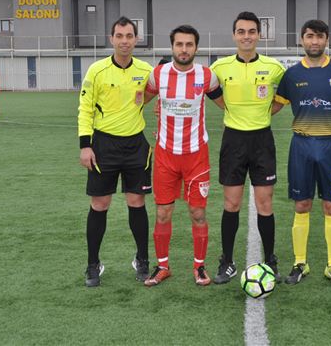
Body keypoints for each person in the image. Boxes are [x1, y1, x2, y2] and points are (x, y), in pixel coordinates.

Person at [272, 20, 331, 287]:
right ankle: (300, 263)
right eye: (310, 36)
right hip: (301, 146)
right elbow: (274, 106)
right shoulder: (291, 75)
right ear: (302, 39)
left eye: (320, 36)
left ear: (326, 40)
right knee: (302, 204)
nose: (315, 41)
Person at [143, 25, 225, 287]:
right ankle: (162, 267)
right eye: (179, 44)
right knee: (163, 213)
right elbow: (139, 101)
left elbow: (226, 104)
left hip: (196, 156)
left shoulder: (207, 76)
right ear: (172, 47)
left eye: (189, 44)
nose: (184, 49)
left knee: (197, 214)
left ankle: (199, 267)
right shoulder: (158, 75)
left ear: (196, 48)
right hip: (165, 155)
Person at [210, 11, 286, 284]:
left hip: (262, 140)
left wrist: (264, 113)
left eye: (251, 31)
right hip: (233, 141)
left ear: (259, 35)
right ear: (234, 35)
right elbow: (212, 92)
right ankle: (227, 261)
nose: (246, 36)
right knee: (231, 203)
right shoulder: (219, 67)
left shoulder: (274, 67)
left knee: (265, 203)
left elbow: (284, 96)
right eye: (241, 31)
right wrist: (232, 111)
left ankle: (270, 260)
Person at [78, 16, 154, 287]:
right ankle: (92, 264)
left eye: (129, 36)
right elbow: (85, 109)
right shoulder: (96, 71)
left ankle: (142, 260)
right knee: (100, 204)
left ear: (136, 39)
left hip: (136, 145)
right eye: (119, 36)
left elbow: (160, 95)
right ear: (111, 39)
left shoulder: (147, 70)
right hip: (104, 146)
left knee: (137, 202)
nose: (124, 41)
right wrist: (85, 145)